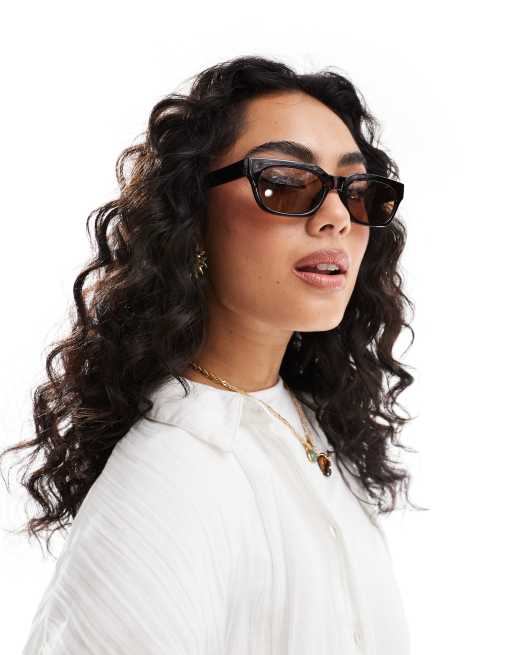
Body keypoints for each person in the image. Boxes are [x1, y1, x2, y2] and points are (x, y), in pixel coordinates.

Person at [2, 54, 423, 654]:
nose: (336, 217)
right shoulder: (172, 477)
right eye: (285, 182)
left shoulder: (303, 418)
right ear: (192, 217)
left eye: (357, 191)